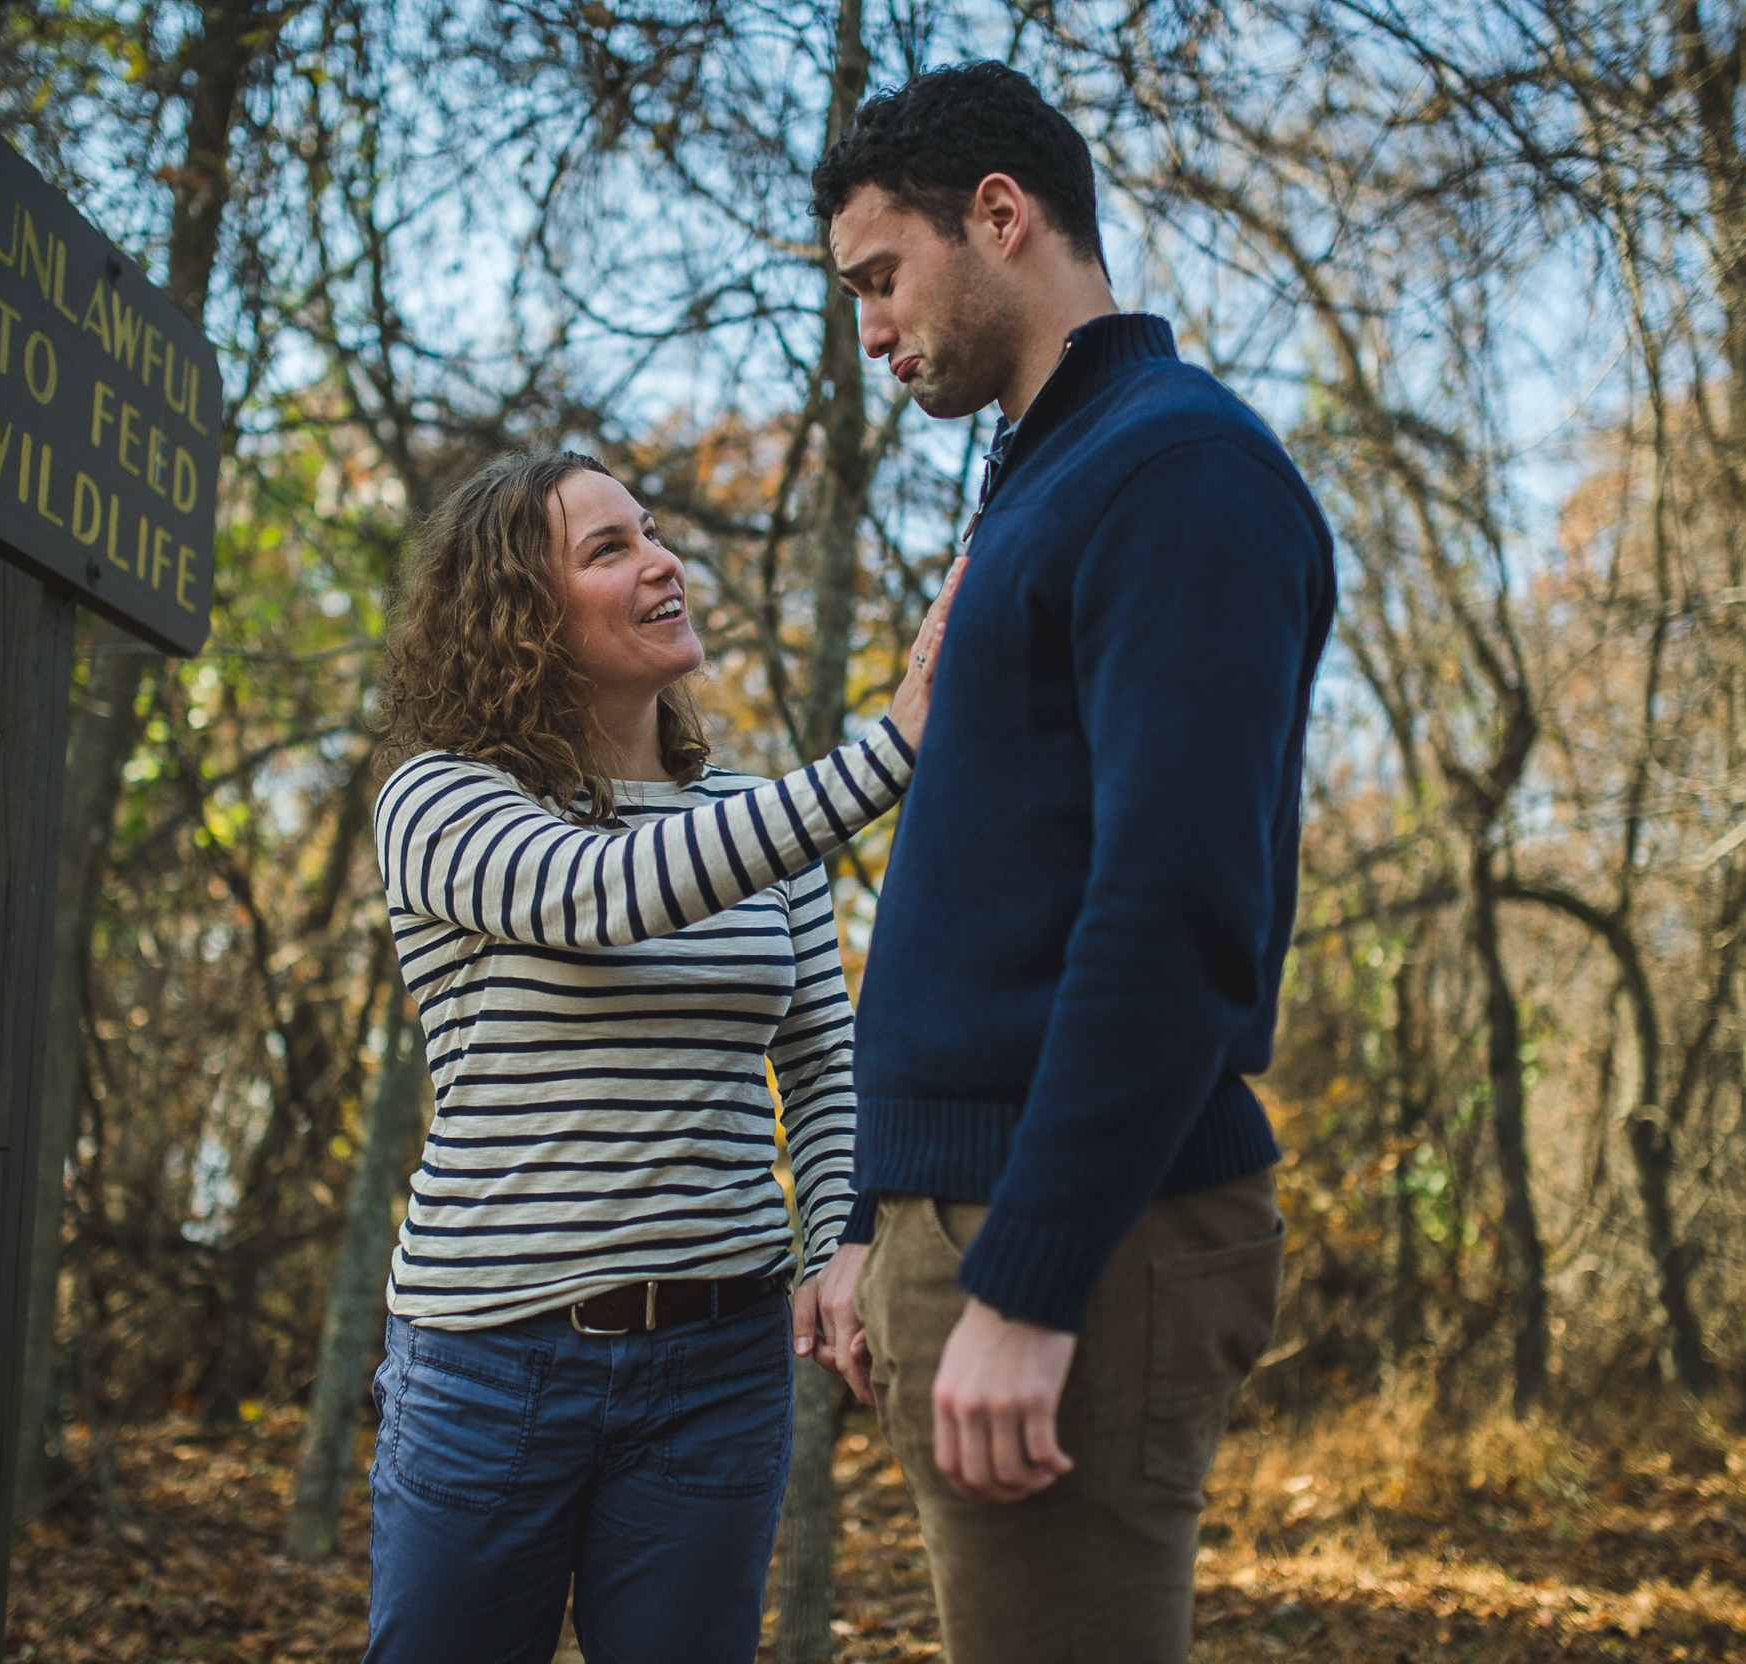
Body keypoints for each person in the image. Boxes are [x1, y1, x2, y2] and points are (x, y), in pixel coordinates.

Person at [802, 62, 1338, 1663]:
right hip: (970, 1213)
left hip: (1079, 1241)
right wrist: (870, 1213)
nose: (874, 329)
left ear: (1002, 215)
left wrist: (1027, 1287)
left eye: (881, 279)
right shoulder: (1044, 479)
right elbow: (993, 902)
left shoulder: (1178, 474)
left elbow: (1177, 909)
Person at [363, 449, 961, 1664]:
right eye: (608, 548)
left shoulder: (747, 820)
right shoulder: (440, 802)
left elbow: (819, 1060)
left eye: (652, 530)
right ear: (520, 615)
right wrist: (887, 750)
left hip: (719, 1365)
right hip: (491, 1363)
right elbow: (603, 895)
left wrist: (834, 1239)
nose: (660, 560)